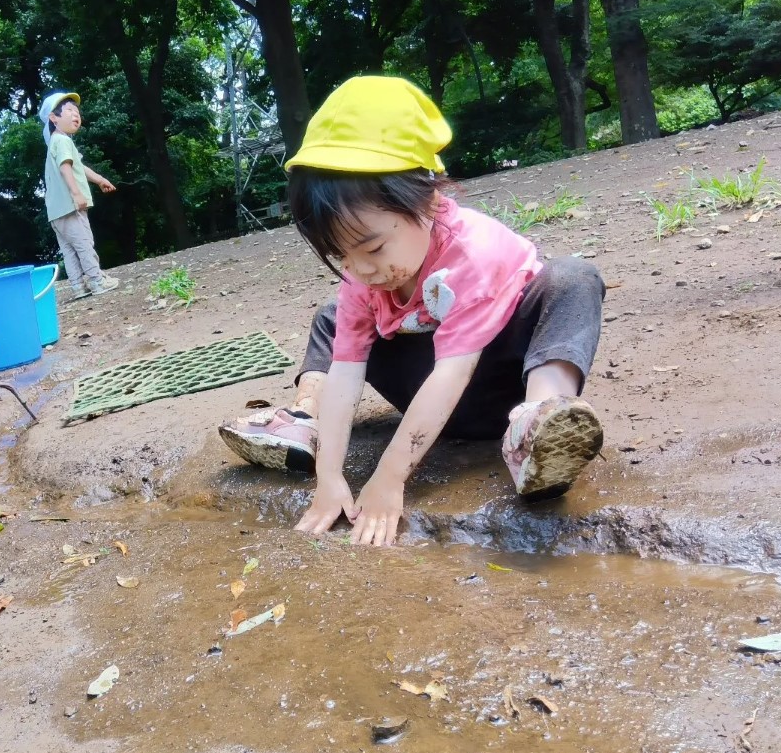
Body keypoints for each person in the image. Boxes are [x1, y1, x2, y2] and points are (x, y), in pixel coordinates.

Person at [218, 76, 605, 547]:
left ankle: (538, 426)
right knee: (332, 315)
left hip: (495, 384)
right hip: (425, 391)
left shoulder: (473, 251)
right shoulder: (362, 277)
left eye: (373, 247)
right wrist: (329, 478)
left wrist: (389, 478)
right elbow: (345, 372)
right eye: (340, 256)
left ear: (429, 199)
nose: (360, 269)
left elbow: (452, 372)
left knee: (570, 278)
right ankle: (306, 422)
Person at [40, 90, 120, 300]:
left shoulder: (56, 143)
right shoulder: (63, 141)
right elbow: (67, 167)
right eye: (69, 111)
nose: (76, 115)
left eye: (77, 112)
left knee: (69, 249)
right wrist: (77, 194)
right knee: (84, 243)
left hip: (56, 211)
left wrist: (100, 179)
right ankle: (97, 280)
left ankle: (77, 286)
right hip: (70, 205)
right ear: (53, 118)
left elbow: (79, 166)